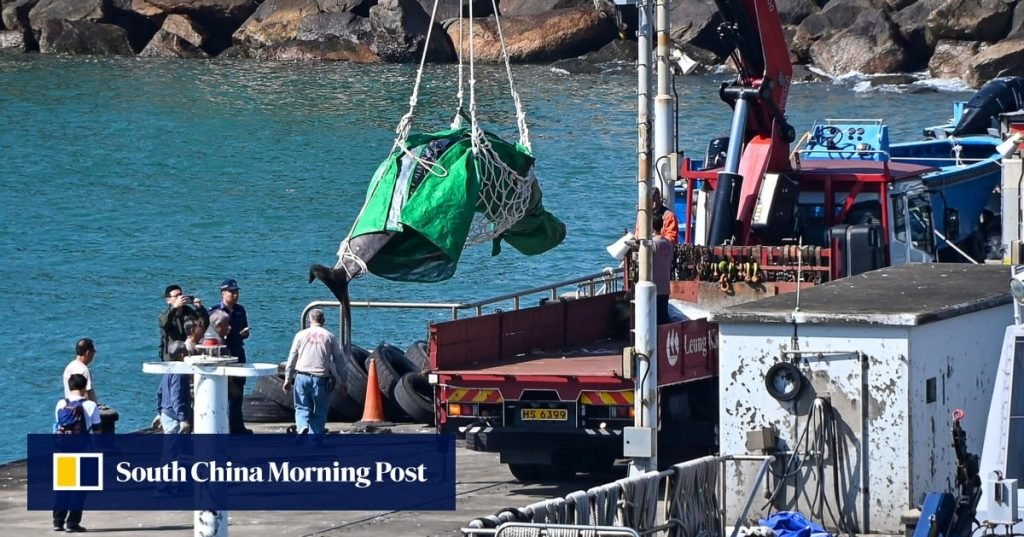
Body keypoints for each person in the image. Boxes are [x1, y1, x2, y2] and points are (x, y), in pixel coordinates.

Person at [283, 309, 344, 440]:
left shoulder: (300, 335)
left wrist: (288, 379)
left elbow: (292, 358)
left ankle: (302, 426)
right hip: (321, 378)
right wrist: (343, 381)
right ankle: (314, 437)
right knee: (320, 410)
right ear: (323, 321)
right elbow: (339, 359)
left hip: (302, 376)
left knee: (302, 406)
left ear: (309, 320)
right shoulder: (329, 336)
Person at [53, 373, 101, 533]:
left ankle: (58, 521)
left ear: (70, 387)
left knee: (64, 486)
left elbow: (58, 424)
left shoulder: (61, 403)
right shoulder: (91, 406)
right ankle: (72, 523)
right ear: (84, 388)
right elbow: (97, 429)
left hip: (64, 448)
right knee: (80, 488)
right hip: (84, 448)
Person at [210, 278, 250, 433]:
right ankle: (223, 424)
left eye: (237, 292)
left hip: (238, 352)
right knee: (224, 390)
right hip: (224, 353)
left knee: (238, 390)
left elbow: (244, 331)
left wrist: (244, 334)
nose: (235, 295)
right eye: (232, 292)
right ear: (223, 293)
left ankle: (237, 426)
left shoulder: (240, 310)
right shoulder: (215, 311)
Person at [160, 284, 208, 362]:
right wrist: (174, 308)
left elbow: (204, 325)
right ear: (168, 300)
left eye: (181, 295)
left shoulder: (189, 312)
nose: (180, 298)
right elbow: (163, 323)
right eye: (176, 296)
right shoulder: (165, 314)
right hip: (172, 355)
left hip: (189, 352)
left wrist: (200, 309)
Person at [157, 341, 192, 434]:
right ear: (181, 355)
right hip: (174, 418)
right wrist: (183, 419)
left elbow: (160, 392)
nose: (189, 356)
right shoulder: (180, 373)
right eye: (187, 354)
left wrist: (159, 412)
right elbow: (177, 397)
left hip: (166, 415)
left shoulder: (168, 370)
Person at [652, 217, 673, 324]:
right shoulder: (669, 243)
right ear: (663, 226)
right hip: (665, 285)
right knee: (664, 316)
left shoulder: (652, 244)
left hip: (654, 286)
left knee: (654, 318)